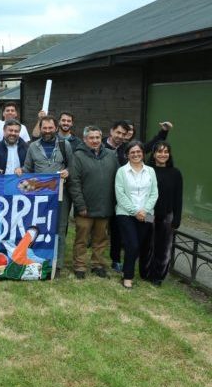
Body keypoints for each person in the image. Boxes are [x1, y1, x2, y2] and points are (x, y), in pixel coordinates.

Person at [18, 116, 73, 272]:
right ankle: (40, 257)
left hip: (60, 195)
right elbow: (28, 169)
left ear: (56, 128)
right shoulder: (33, 147)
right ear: (40, 128)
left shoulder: (65, 145)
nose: (47, 131)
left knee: (60, 228)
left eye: (50, 128)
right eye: (44, 128)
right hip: (39, 197)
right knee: (39, 227)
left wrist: (66, 172)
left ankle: (58, 263)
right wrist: (20, 170)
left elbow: (72, 166)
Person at [68, 126, 120, 280]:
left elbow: (118, 179)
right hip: (85, 208)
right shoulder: (77, 156)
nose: (95, 140)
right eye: (91, 138)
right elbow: (74, 182)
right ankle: (80, 266)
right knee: (81, 239)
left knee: (101, 239)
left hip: (105, 206)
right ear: (85, 139)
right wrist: (80, 205)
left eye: (97, 137)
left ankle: (98, 265)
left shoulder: (111, 155)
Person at [115, 141, 159, 289]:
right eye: (132, 152)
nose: (136, 154)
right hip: (125, 213)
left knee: (137, 246)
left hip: (147, 214)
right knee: (131, 244)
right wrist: (135, 211)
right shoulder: (121, 171)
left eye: (138, 152)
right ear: (127, 154)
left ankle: (126, 271)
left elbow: (154, 193)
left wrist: (145, 211)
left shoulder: (151, 171)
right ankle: (128, 277)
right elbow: (120, 195)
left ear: (143, 153)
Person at [146, 139, 183, 286]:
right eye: (159, 151)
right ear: (154, 154)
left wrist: (177, 219)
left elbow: (178, 198)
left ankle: (158, 276)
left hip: (167, 215)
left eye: (166, 152)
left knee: (163, 247)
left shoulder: (175, 173)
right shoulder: (147, 171)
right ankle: (146, 271)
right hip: (150, 214)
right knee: (149, 244)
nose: (163, 154)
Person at [105, 120, 131, 273]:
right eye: (118, 132)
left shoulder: (127, 150)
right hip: (102, 194)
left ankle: (115, 260)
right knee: (99, 230)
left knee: (117, 230)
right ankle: (96, 260)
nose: (120, 136)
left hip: (119, 197)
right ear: (111, 131)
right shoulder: (100, 144)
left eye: (123, 134)